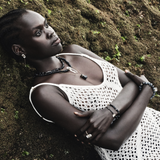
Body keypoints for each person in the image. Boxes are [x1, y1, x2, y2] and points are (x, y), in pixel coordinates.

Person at [0, 9, 159, 160]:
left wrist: (110, 110)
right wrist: (146, 91)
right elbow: (113, 139)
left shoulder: (76, 51)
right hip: (139, 153)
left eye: (47, 24)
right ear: (19, 49)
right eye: (38, 32)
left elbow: (131, 82)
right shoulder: (44, 93)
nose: (50, 32)